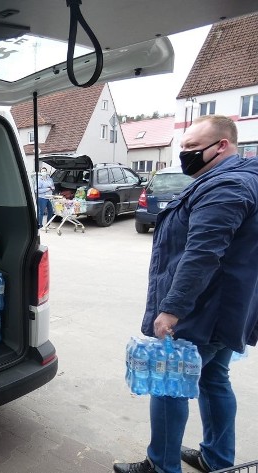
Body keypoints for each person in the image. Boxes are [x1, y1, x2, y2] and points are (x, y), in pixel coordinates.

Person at [114, 115, 258, 473]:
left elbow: (202, 254)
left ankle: (161, 466)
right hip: (228, 305)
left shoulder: (226, 187)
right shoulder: (234, 178)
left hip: (203, 310)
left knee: (168, 384)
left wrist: (172, 309)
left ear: (222, 145)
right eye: (183, 148)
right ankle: (216, 458)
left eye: (193, 148)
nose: (185, 155)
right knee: (213, 377)